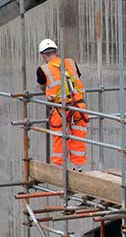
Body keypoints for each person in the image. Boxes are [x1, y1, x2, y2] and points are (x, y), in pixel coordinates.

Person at [37, 39, 88, 168]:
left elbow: (42, 87)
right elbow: (76, 79)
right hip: (79, 106)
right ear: (56, 52)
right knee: (79, 137)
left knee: (60, 137)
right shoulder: (70, 62)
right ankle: (79, 168)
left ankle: (58, 168)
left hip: (61, 109)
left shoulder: (43, 69)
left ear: (43, 56)